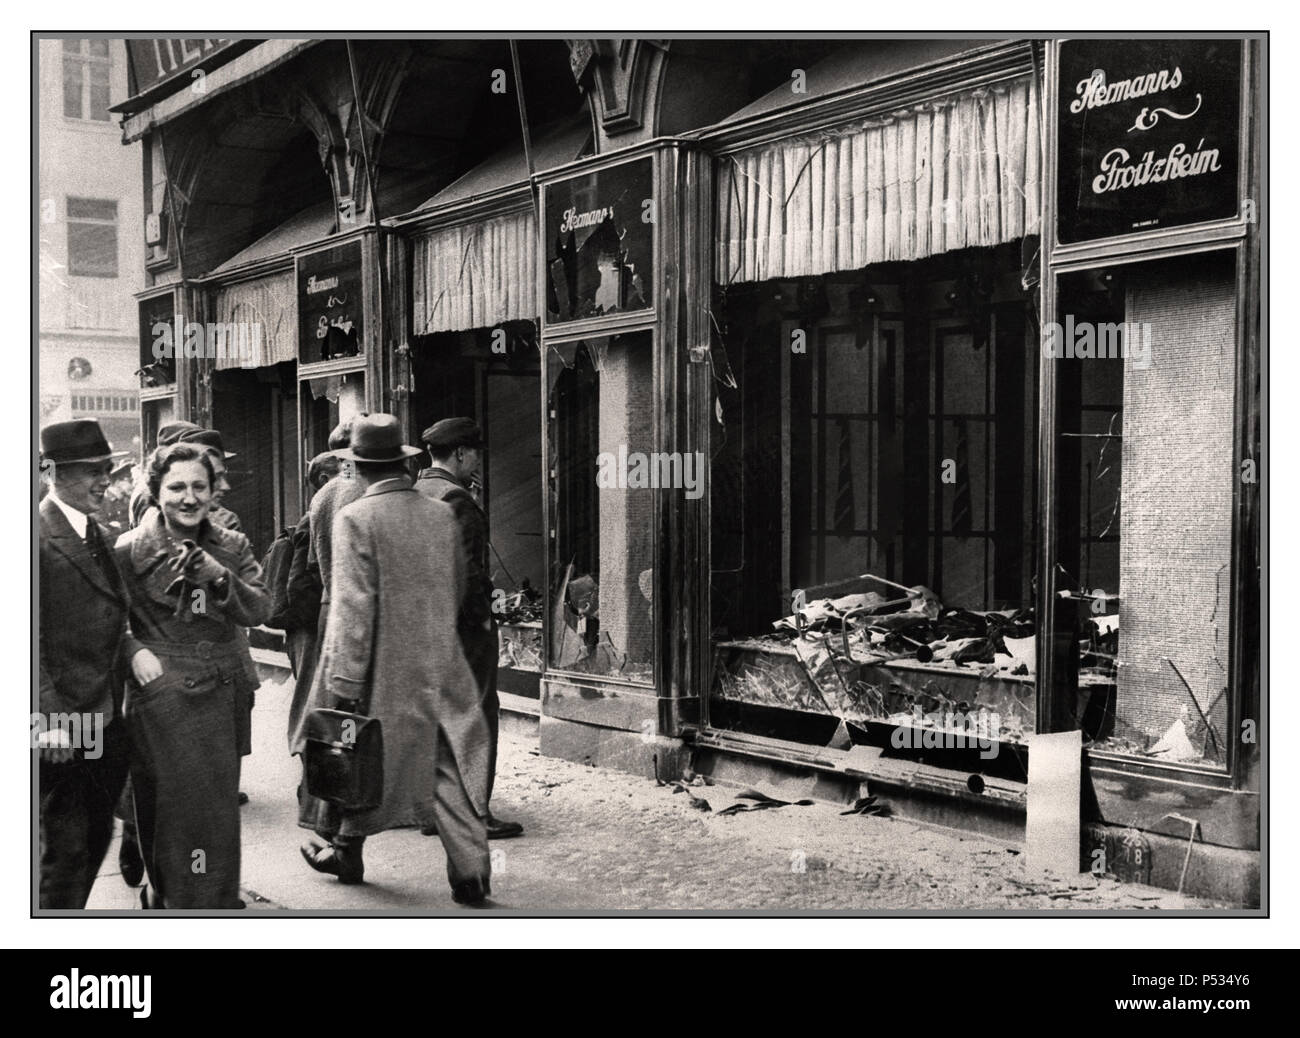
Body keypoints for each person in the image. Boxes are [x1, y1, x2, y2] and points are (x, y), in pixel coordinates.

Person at [297, 414, 493, 906]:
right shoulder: (440, 512)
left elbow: (353, 609)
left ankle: (346, 850)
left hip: (380, 671)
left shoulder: (355, 518)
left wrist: (343, 680)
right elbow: (457, 588)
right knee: (446, 764)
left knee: (357, 759)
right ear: (403, 464)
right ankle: (470, 872)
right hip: (441, 663)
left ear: (358, 468)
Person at [113, 443, 270, 909]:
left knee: (216, 813)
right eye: (176, 487)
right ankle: (174, 898)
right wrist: (133, 649)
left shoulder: (232, 546)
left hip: (218, 696)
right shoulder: (126, 552)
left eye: (199, 486)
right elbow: (106, 623)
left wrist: (220, 576)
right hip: (160, 699)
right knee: (170, 811)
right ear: (156, 492)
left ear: (213, 490)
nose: (189, 497)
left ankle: (208, 905)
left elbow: (261, 608)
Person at [38, 420, 152, 909]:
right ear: (54, 475)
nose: (104, 480)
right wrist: (48, 721)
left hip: (105, 716)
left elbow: (110, 616)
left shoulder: (96, 532)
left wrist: (134, 649)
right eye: (90, 471)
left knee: (97, 833)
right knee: (66, 847)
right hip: (64, 721)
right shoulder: (38, 537)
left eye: (107, 469)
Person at [417, 418, 522, 839]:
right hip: (462, 631)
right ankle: (475, 811)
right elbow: (467, 575)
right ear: (461, 454)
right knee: (476, 714)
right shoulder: (456, 500)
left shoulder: (417, 492)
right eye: (476, 453)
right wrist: (483, 621)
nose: (479, 460)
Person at [283, 451, 341, 751]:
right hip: (308, 629)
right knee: (311, 702)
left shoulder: (319, 514)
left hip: (312, 626)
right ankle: (311, 777)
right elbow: (299, 585)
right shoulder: (313, 519)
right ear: (323, 480)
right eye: (341, 472)